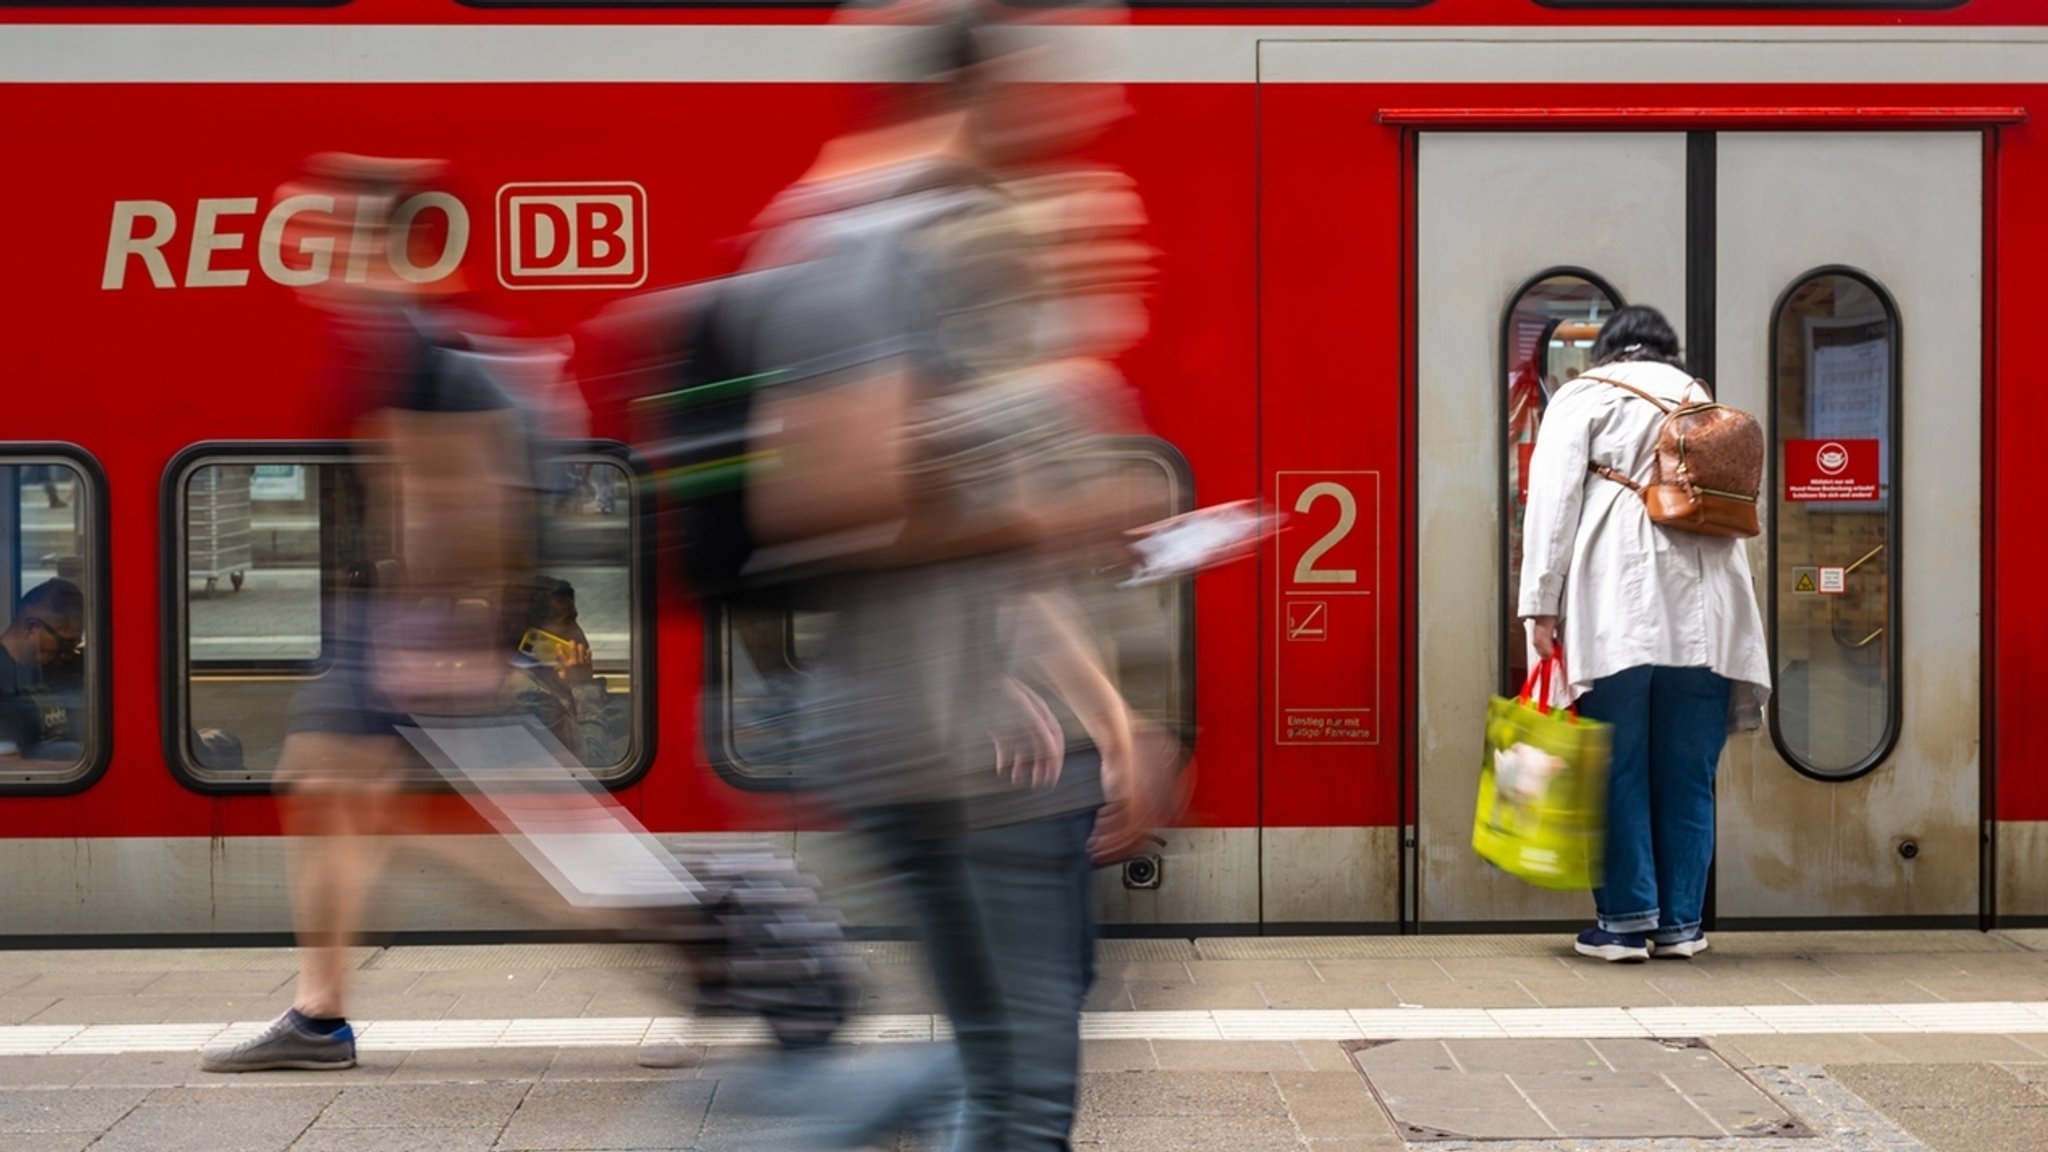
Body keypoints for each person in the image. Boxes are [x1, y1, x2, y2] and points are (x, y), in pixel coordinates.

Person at [203, 154, 536, 1073]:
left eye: (322, 230)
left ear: (364, 237)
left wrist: (452, 629)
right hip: (409, 611)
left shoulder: (403, 335)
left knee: (368, 803)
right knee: (325, 789)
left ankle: (676, 933)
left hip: (412, 614)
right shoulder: (395, 329)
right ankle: (319, 1012)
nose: (303, 250)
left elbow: (443, 492)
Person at [1516, 304, 1770, 964]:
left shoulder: (1583, 396)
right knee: (1688, 773)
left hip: (1617, 607)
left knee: (1617, 767)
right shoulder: (1700, 401)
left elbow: (1550, 505)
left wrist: (1539, 608)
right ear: (1668, 352)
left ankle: (1625, 923)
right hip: (1713, 615)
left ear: (1607, 350)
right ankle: (1681, 925)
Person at [503, 576, 626, 767]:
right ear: (534, 635)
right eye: (567, 621)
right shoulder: (528, 695)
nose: (579, 633)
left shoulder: (546, 676)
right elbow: (596, 765)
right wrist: (584, 686)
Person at [0, 578, 84, 762]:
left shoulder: (49, 667)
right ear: (32, 628)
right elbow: (7, 766)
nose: (68, 655)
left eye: (74, 646)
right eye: (64, 644)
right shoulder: (4, 675)